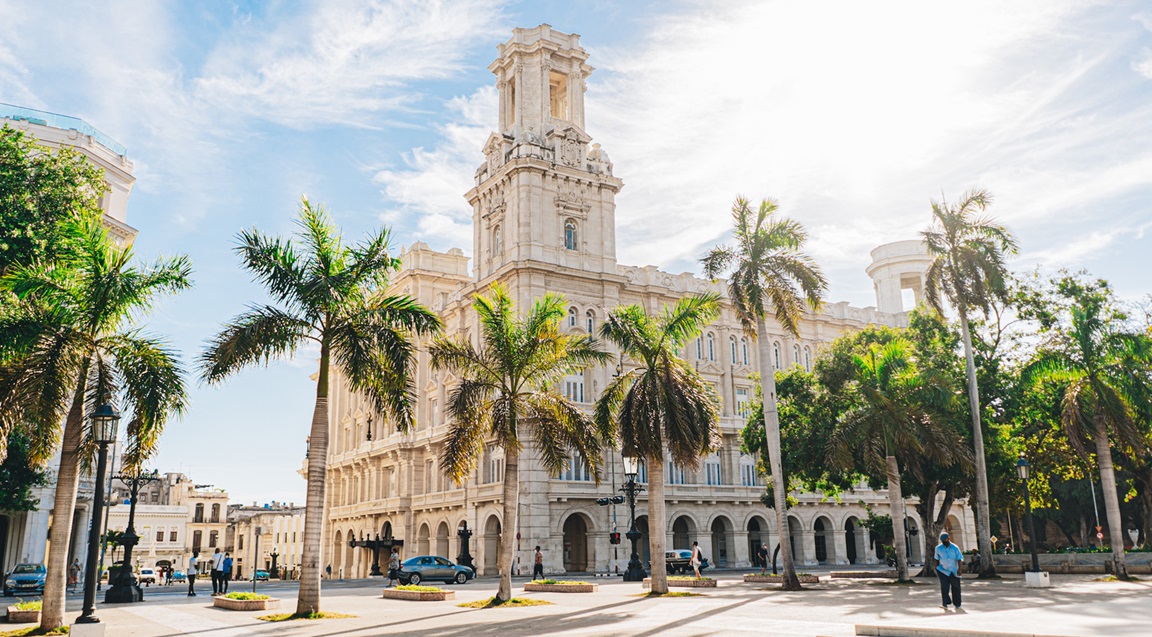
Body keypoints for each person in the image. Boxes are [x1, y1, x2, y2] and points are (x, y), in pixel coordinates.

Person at [934, 532, 964, 609]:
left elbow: (959, 559)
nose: (944, 542)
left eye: (945, 540)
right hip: (943, 571)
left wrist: (960, 569)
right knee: (944, 587)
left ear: (948, 538)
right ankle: (945, 603)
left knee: (956, 588)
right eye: (942, 540)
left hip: (954, 571)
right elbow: (936, 559)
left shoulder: (955, 548)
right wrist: (937, 568)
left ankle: (957, 604)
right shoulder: (938, 548)